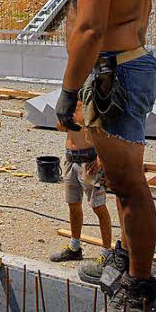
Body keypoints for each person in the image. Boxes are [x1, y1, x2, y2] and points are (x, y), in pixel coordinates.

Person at [52, 0, 156, 312]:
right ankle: (124, 259)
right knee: (118, 179)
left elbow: (91, 27)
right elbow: (139, 13)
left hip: (113, 73)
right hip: (132, 63)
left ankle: (138, 291)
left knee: (130, 185)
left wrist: (69, 91)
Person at [50, 100, 113, 264]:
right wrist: (64, 121)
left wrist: (101, 158)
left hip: (89, 161)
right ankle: (74, 247)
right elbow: (60, 127)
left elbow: (107, 130)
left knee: (99, 207)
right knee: (73, 204)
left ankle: (107, 251)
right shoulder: (69, 102)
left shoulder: (93, 101)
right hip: (71, 159)